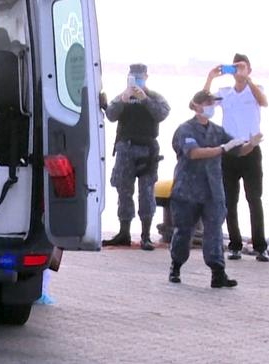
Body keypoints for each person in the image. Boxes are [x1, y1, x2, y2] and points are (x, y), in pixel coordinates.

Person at [168, 90, 262, 288]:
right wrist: (222, 149)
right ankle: (176, 266)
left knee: (214, 232)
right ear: (196, 106)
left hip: (213, 190)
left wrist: (250, 145)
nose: (211, 107)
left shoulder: (217, 130)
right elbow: (193, 153)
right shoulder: (186, 129)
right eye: (207, 103)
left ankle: (218, 273)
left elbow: (237, 150)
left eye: (213, 103)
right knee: (184, 232)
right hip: (188, 190)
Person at [203, 53, 269, 262]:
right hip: (230, 150)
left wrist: (247, 79)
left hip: (251, 149)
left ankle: (260, 246)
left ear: (249, 69)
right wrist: (210, 78)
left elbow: (264, 102)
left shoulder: (255, 89)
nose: (239, 71)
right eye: (236, 68)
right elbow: (204, 108)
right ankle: (235, 245)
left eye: (242, 67)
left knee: (254, 199)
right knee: (229, 200)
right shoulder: (225, 93)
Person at [103, 64, 170, 250]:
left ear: (146, 77)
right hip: (126, 147)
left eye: (140, 77)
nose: (137, 80)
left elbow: (162, 113)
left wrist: (145, 99)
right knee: (123, 190)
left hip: (147, 149)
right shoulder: (123, 97)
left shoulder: (155, 97)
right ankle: (124, 231)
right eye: (134, 77)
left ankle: (146, 235)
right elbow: (110, 115)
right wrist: (123, 99)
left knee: (147, 192)